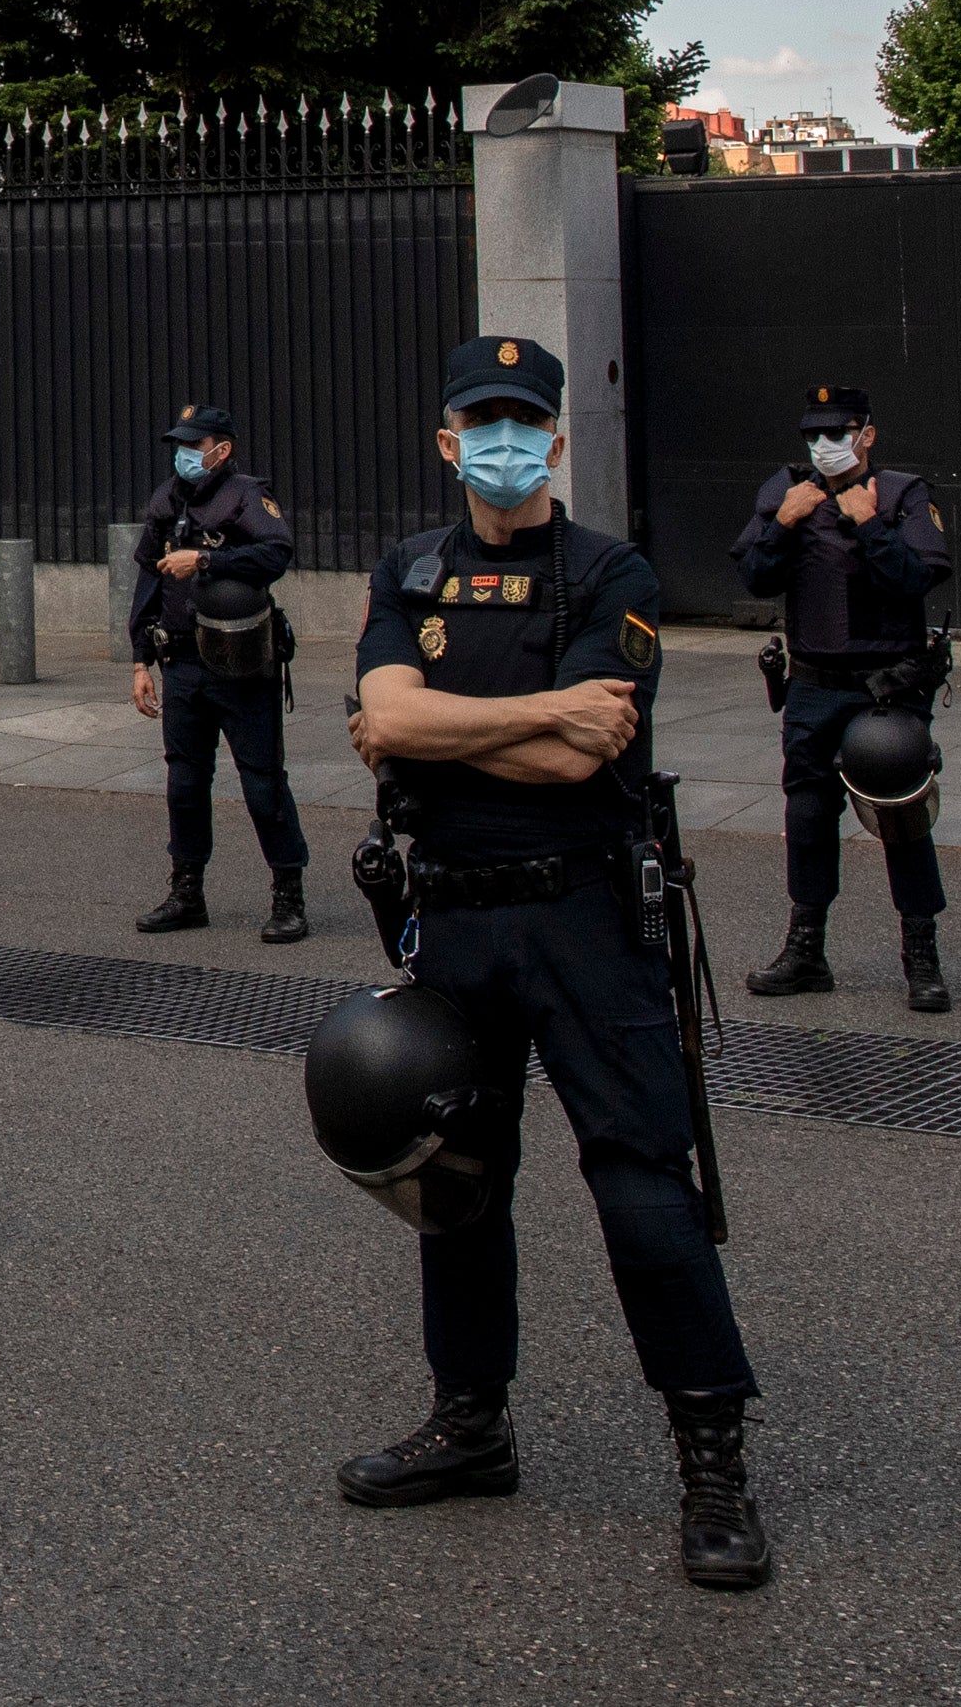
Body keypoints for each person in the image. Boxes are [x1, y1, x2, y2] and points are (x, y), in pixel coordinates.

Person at [338, 332, 770, 1590]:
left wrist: (424, 735)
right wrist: (523, 716)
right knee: (452, 1183)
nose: (503, 442)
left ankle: (711, 1464)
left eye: (524, 421)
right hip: (452, 915)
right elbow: (408, 720)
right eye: (482, 421)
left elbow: (579, 762)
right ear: (446, 441)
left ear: (557, 441)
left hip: (585, 918)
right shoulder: (408, 567)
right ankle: (471, 1427)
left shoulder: (606, 571)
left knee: (642, 1186)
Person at [730, 382, 955, 1015]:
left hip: (887, 690)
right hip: (813, 688)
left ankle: (921, 955)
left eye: (838, 432)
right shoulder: (787, 490)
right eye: (814, 434)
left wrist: (869, 523)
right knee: (805, 816)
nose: (825, 445)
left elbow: (917, 578)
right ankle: (807, 950)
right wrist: (783, 523)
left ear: (867, 434)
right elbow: (753, 576)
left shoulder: (905, 494)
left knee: (901, 816)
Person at [130, 404, 308, 943]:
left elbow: (276, 553)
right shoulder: (169, 497)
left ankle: (288, 896)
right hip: (182, 660)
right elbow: (147, 579)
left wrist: (206, 562)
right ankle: (188, 893)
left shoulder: (246, 495)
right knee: (184, 782)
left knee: (262, 782)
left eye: (194, 445)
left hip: (242, 662)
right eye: (180, 445)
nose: (184, 455)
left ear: (221, 450)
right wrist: (140, 659)